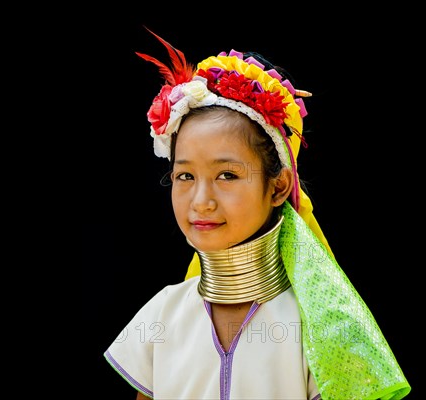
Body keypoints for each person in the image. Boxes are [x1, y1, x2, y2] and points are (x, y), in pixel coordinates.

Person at [103, 29, 411, 400]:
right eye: (185, 175)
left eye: (227, 175)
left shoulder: (323, 330)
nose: (201, 201)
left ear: (278, 186)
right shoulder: (161, 317)